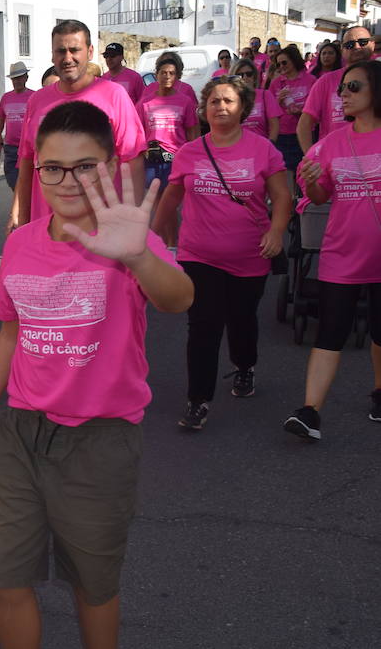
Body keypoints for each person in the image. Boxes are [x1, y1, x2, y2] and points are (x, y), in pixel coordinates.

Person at [0, 101, 192, 649]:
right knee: (7, 579)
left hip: (100, 439)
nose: (66, 181)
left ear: (110, 167)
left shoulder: (127, 235)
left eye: (84, 167)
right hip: (23, 434)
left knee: (92, 582)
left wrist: (138, 256)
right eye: (51, 168)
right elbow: (13, 336)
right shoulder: (22, 242)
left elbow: (179, 297)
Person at [153, 77, 291, 431]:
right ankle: (198, 400)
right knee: (203, 327)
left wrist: (276, 232)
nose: (221, 107)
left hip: (250, 255)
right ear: (204, 108)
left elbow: (283, 197)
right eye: (214, 101)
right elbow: (171, 198)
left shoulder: (263, 150)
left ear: (243, 108)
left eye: (229, 101)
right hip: (199, 256)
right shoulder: (189, 152)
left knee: (242, 321)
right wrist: (150, 236)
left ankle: (245, 365)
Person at [284, 60, 381, 441]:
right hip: (342, 254)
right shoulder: (333, 143)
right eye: (342, 88)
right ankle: (310, 412)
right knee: (330, 332)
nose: (344, 95)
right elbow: (323, 195)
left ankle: (379, 392)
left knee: (380, 331)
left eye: (354, 87)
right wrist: (310, 185)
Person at [11, 19, 147, 229]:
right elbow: (28, 164)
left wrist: (134, 218)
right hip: (47, 227)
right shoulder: (37, 101)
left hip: (102, 228)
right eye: (60, 51)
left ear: (90, 52)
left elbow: (134, 162)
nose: (67, 58)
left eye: (74, 50)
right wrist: (18, 215)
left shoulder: (114, 96)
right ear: (52, 55)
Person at [299, 25, 375, 154]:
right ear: (342, 50)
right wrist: (311, 158)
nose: (357, 47)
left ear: (372, 44)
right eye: (350, 45)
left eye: (363, 42)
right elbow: (304, 125)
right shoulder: (326, 81)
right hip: (335, 157)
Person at [136, 51, 199, 191]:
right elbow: (137, 131)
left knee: (173, 200)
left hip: (177, 159)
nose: (167, 76)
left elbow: (192, 132)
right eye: (163, 73)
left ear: (177, 76)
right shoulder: (146, 102)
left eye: (171, 73)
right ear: (156, 74)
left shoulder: (185, 101)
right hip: (152, 158)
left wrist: (193, 158)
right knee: (154, 199)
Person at [269, 44, 315, 172]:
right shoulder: (276, 83)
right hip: (283, 133)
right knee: (285, 170)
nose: (281, 67)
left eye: (284, 62)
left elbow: (316, 106)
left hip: (305, 131)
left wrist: (301, 112)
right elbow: (270, 110)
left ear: (294, 60)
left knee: (304, 169)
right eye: (278, 64)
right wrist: (278, 101)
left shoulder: (310, 80)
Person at [0, 62, 34, 191]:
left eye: (19, 77)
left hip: (29, 147)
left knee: (29, 182)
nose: (17, 81)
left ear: (26, 77)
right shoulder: (6, 97)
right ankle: (20, 207)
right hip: (10, 147)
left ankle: (23, 209)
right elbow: (1, 119)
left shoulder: (34, 97)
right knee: (13, 180)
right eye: (14, 78)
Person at [230, 59, 281, 143]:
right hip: (236, 149)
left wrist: (270, 145)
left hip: (261, 148)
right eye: (240, 75)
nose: (245, 77)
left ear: (254, 76)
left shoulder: (265, 95)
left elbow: (274, 125)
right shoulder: (229, 99)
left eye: (249, 74)